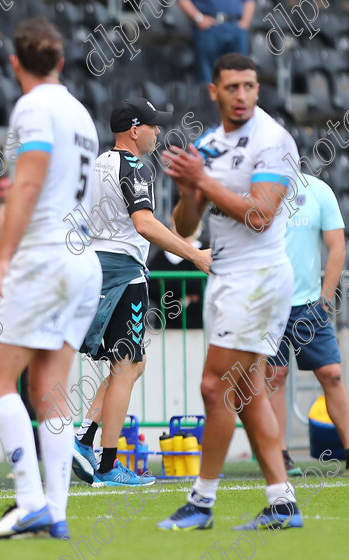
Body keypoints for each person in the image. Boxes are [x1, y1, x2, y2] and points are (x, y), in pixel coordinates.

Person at [158, 53, 302, 530]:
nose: (242, 95)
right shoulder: (210, 144)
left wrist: (202, 181)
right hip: (226, 280)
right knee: (247, 393)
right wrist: (187, 193)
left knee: (213, 386)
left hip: (258, 280)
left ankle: (200, 503)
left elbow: (260, 216)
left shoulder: (273, 140)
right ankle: (283, 504)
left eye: (250, 86)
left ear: (258, 90)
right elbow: (184, 229)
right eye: (233, 87)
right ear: (213, 91)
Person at [0, 18, 102, 540]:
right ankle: (56, 511)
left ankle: (28, 503)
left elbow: (26, 184)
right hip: (81, 258)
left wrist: (1, 261)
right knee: (50, 388)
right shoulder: (81, 114)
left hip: (45, 256)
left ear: (15, 64)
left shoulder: (32, 107)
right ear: (63, 62)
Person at [72, 98, 211, 487]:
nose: (158, 132)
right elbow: (146, 224)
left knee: (132, 364)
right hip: (123, 270)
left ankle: (84, 440)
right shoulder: (134, 166)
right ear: (134, 130)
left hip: (94, 266)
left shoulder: (98, 162)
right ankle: (107, 464)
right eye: (152, 126)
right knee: (127, 364)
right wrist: (196, 255)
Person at [268, 174, 349, 476]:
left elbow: (337, 246)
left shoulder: (318, 190)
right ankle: (280, 455)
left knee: (333, 374)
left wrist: (326, 299)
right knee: (274, 375)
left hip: (310, 305)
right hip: (268, 304)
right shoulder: (255, 190)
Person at [177, 0, 254, 84]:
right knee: (206, 75)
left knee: (239, 74)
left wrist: (245, 22)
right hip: (209, 27)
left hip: (236, 26)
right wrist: (199, 18)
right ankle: (207, 97)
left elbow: (250, 1)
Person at [147, 222, 206, 329]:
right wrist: (186, 293)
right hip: (165, 323)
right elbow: (152, 286)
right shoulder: (161, 255)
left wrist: (166, 284)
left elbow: (201, 285)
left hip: (197, 324)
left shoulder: (204, 250)